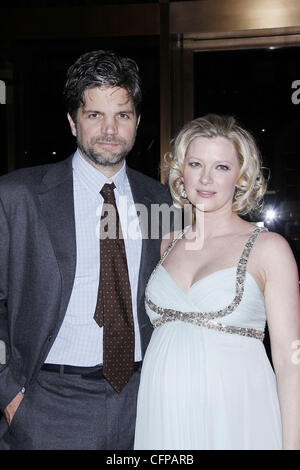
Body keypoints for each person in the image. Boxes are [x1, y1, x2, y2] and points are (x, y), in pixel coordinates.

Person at [0, 49, 174, 450]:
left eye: (123, 115)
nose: (110, 129)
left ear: (137, 122)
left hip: (141, 399)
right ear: (72, 122)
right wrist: (8, 392)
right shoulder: (19, 197)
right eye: (95, 115)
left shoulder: (161, 201)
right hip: (47, 404)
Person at [134, 114, 300, 450]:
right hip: (162, 416)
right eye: (196, 163)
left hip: (237, 417)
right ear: (182, 171)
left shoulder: (269, 249)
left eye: (222, 167)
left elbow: (289, 361)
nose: (206, 178)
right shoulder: (165, 244)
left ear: (241, 176)